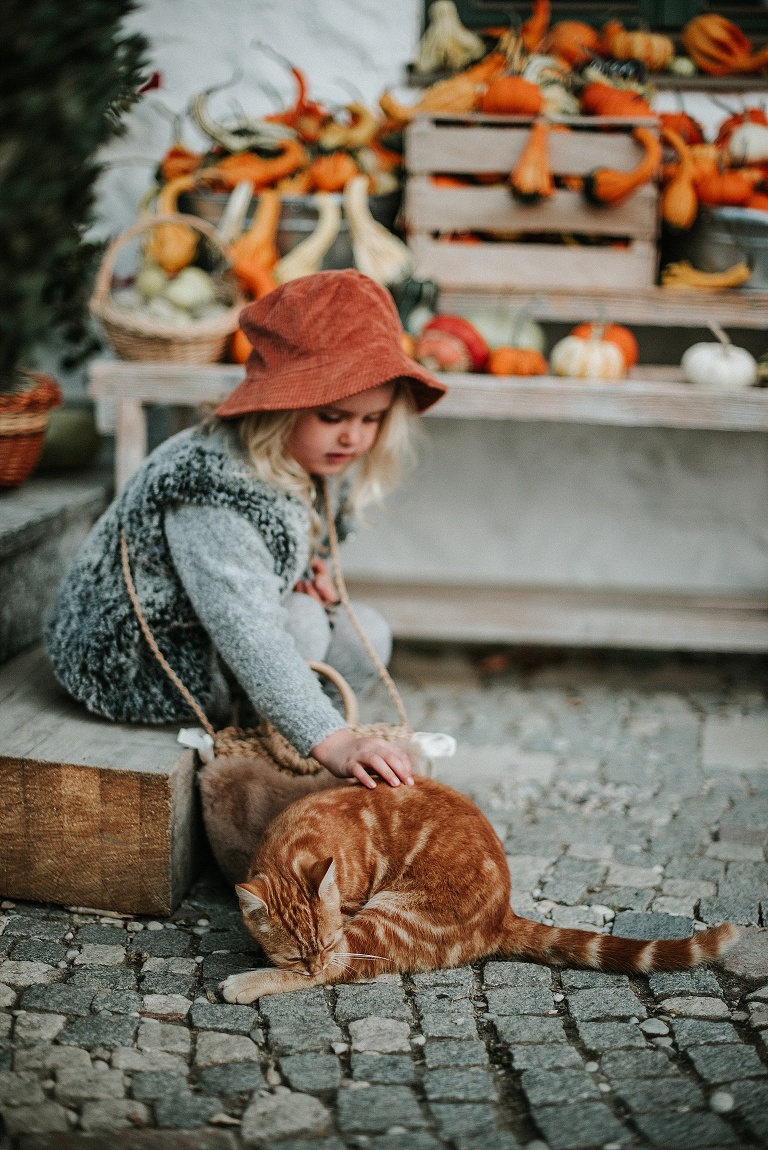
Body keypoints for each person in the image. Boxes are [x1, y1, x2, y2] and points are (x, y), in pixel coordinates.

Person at [45, 269, 447, 791]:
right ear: (281, 405)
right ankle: (290, 754)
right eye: (333, 416)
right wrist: (336, 740)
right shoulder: (210, 484)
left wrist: (309, 575)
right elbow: (246, 626)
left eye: (372, 420)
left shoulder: (310, 458)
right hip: (142, 658)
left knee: (363, 630)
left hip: (210, 631)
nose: (353, 436)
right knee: (300, 625)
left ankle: (287, 744)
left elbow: (279, 551)